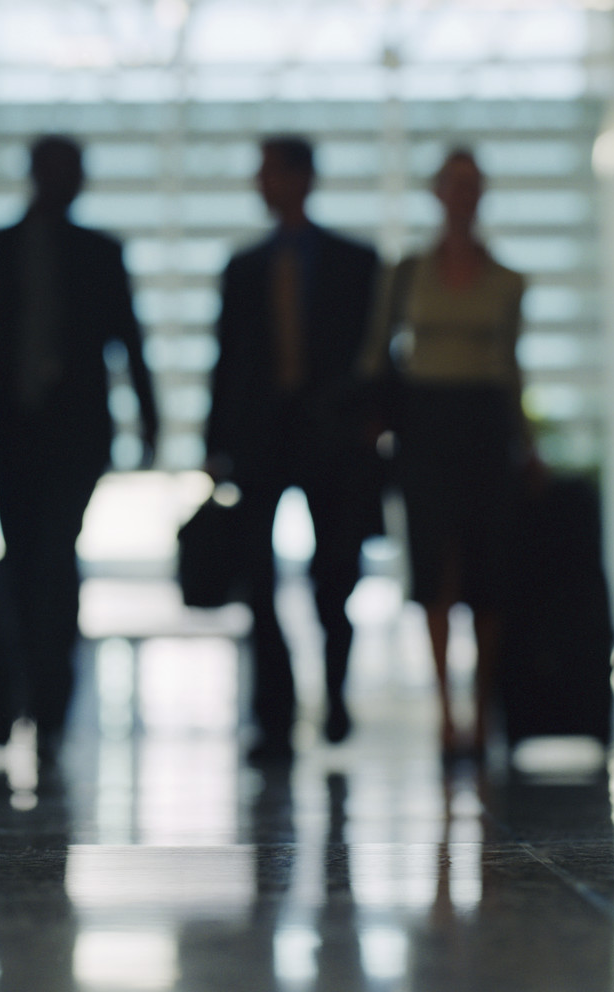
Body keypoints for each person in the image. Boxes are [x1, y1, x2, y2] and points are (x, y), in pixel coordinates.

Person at [0, 134, 159, 766]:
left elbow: (129, 344)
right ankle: (26, 694)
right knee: (23, 564)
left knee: (54, 558)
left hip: (76, 438)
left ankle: (49, 703)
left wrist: (151, 426)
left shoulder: (100, 255)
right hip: (14, 434)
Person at [204, 135, 381, 765]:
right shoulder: (244, 268)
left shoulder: (357, 263)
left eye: (269, 173)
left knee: (334, 576)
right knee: (258, 579)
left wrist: (367, 423)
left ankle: (333, 696)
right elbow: (225, 361)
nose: (260, 185)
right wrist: (215, 443)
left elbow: (375, 355)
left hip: (332, 437)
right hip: (260, 437)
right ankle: (274, 717)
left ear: (302, 179)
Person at [362, 148, 536, 761]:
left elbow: (513, 367)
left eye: (472, 185)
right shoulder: (408, 274)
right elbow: (378, 355)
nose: (463, 195)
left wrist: (527, 441)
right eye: (453, 184)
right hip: (425, 426)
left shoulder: (506, 279)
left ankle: (481, 710)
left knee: (486, 571)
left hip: (483, 423)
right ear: (438, 192)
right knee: (436, 567)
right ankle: (444, 710)